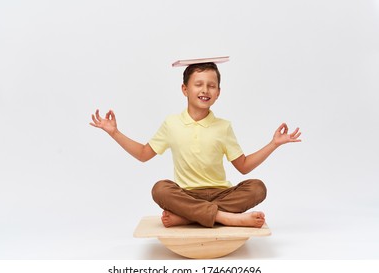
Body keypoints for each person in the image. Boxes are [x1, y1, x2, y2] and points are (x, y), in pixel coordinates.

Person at [90, 60, 301, 228]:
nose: (205, 90)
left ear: (218, 92)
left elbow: (243, 166)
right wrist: (115, 133)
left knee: (257, 188)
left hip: (221, 193)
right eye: (198, 84)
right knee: (160, 189)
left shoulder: (223, 127)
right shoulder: (171, 123)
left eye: (211, 86)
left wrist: (274, 144)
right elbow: (144, 154)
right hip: (186, 194)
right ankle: (225, 217)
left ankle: (189, 218)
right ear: (185, 89)